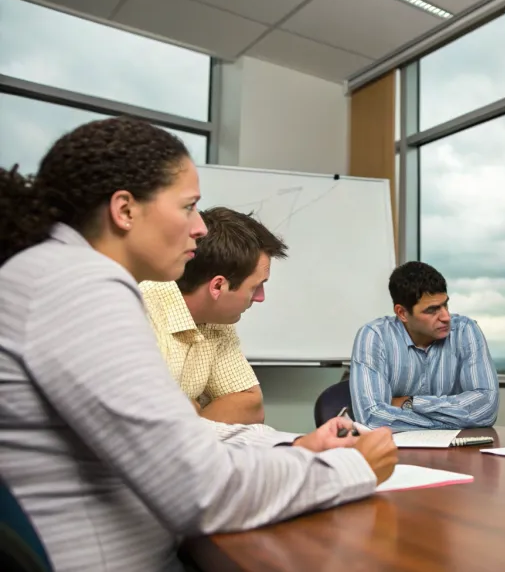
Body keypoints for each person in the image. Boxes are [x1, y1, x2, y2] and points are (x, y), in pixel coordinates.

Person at [0, 117, 397, 571]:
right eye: (189, 207)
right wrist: (355, 468)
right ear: (125, 210)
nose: (200, 229)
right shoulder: (78, 285)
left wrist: (297, 452)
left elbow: (183, 449)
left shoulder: (54, 273)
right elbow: (201, 490)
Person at [140, 206, 287, 426]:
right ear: (218, 286)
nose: (260, 298)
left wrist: (192, 420)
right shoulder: (139, 310)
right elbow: (146, 416)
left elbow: (251, 405)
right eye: (256, 286)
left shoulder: (216, 323)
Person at [349, 261, 499, 431]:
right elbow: (371, 418)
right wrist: (453, 419)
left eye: (445, 304)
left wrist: (409, 403)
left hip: (456, 450)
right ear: (402, 313)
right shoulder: (374, 336)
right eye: (432, 310)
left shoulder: (465, 330)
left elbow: (487, 407)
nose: (446, 317)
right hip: (395, 453)